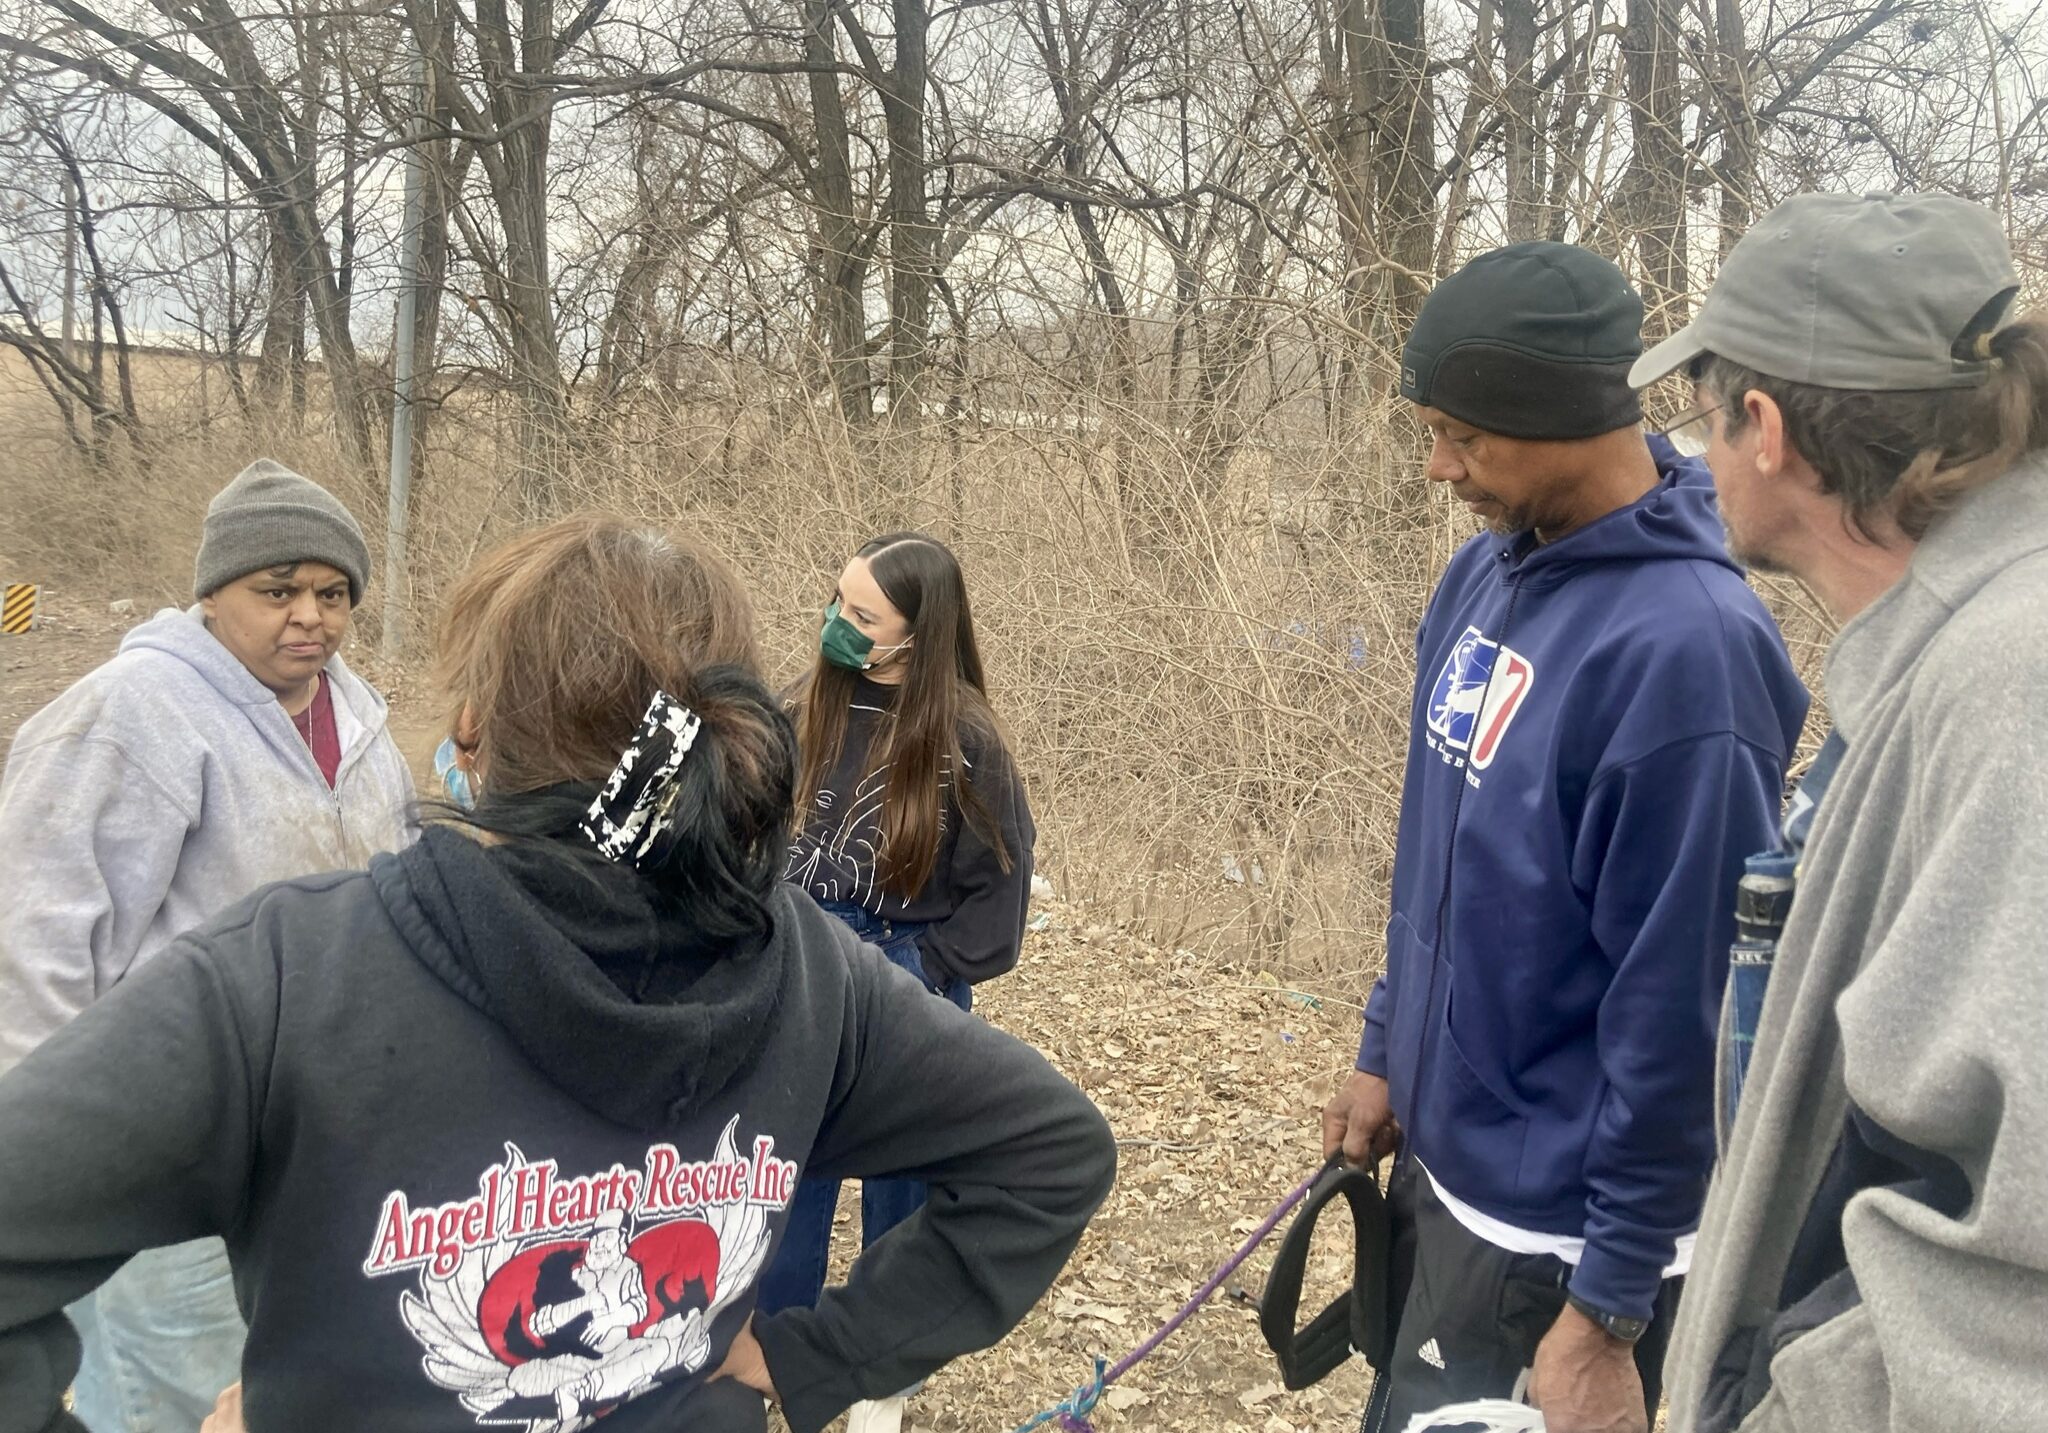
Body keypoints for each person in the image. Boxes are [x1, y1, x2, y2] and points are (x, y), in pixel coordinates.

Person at [0, 516, 1114, 1433]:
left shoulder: (282, 975)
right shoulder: (811, 972)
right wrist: (807, 1354)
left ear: (474, 729)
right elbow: (1053, 1152)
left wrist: (807, 1346)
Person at [1318, 243, 1809, 1433]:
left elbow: (1682, 1003)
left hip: (1559, 1240)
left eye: (1465, 436)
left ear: (1562, 422)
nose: (1438, 467)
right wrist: (1388, 1045)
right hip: (1451, 1178)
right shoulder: (1479, 584)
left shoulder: (1685, 655)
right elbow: (1438, 855)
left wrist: (1608, 1307)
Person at [1630, 192, 2048, 1431]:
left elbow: (2009, 1285)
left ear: (1764, 428)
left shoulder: (2009, 689)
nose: (1696, 456)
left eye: (1702, 417)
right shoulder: (1951, 655)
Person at [0, 457, 416, 1431]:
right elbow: (33, 943)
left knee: (270, 1394)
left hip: (319, 1141)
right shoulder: (132, 712)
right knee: (171, 1393)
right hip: (166, 1145)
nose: (309, 615)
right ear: (213, 592)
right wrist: (58, 1155)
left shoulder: (358, 721)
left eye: (332, 593)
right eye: (278, 591)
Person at [758, 532, 1035, 1433]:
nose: (837, 625)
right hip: (795, 968)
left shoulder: (967, 741)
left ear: (918, 635)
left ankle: (885, 1376)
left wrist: (920, 974)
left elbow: (998, 899)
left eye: (862, 616)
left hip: (903, 974)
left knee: (901, 1196)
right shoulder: (800, 705)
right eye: (836, 602)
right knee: (783, 1184)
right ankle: (769, 1357)